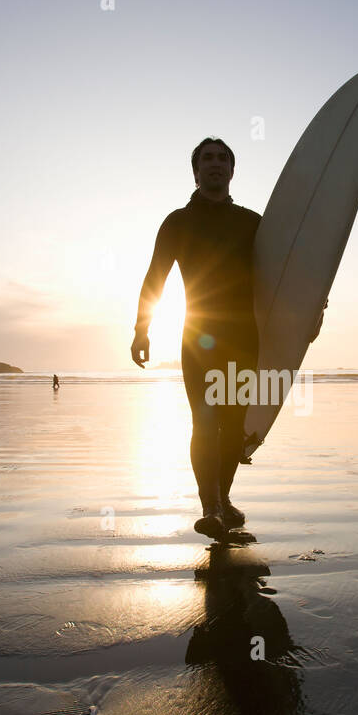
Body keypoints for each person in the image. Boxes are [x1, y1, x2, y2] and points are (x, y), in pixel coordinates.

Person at [132, 139, 261, 539]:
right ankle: (211, 507)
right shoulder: (178, 222)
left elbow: (286, 277)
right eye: (208, 158)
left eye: (223, 158)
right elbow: (156, 276)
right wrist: (141, 328)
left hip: (244, 338)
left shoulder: (254, 222)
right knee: (205, 422)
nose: (216, 164)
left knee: (234, 424)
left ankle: (222, 499)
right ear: (196, 170)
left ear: (232, 170)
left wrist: (313, 312)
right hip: (199, 337)